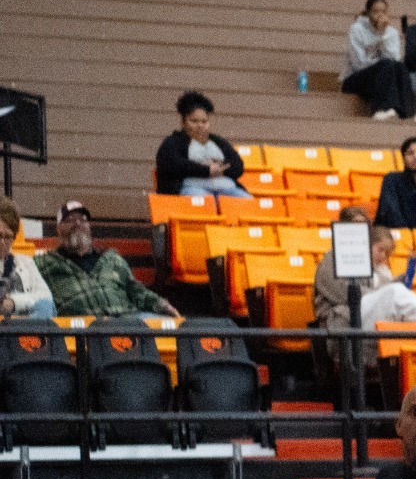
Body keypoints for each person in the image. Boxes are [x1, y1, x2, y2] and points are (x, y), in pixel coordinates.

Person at [41, 201, 179, 319]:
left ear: (89, 226)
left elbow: (137, 291)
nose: (78, 223)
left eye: (83, 219)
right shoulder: (46, 263)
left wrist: (162, 305)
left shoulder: (112, 258)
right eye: (69, 219)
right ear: (58, 228)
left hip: (126, 319)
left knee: (171, 326)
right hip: (84, 326)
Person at [155, 90, 249, 197]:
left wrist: (219, 168)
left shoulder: (218, 142)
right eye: (194, 121)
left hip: (226, 188)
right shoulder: (173, 142)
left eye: (204, 121)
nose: (200, 125)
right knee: (207, 204)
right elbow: (174, 165)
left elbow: (237, 165)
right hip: (191, 189)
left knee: (248, 203)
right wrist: (207, 170)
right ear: (183, 123)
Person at [342, 0, 416, 120]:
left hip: (380, 77)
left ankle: (407, 113)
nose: (380, 15)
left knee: (400, 67)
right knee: (385, 65)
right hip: (354, 79)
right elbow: (358, 64)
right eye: (375, 11)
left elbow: (395, 60)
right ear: (368, 13)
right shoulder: (356, 29)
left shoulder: (391, 32)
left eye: (383, 12)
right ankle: (381, 109)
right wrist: (379, 64)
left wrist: (383, 35)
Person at [314, 205, 379, 327]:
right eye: (355, 225)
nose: (359, 230)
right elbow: (343, 294)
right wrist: (376, 296)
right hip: (335, 318)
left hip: (361, 312)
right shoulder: (329, 260)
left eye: (364, 226)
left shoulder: (364, 258)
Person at [0, 196, 55, 321]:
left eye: (8, 237)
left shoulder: (24, 262)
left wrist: (13, 302)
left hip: (23, 327)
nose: (3, 242)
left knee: (45, 306)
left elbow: (46, 297)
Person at [374, 137, 416, 231]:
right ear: (403, 158)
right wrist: (411, 232)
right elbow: (390, 213)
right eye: (410, 153)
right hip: (395, 233)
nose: (415, 157)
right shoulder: (391, 179)